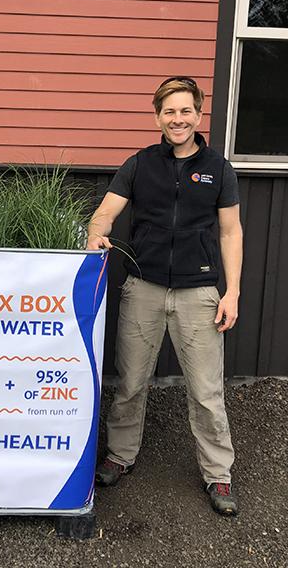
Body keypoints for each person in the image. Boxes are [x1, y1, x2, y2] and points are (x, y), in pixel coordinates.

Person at [86, 77, 242, 516]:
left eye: (186, 110)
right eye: (169, 111)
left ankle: (218, 475)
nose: (178, 119)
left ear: (198, 114)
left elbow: (231, 231)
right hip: (143, 288)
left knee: (207, 391)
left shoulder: (218, 168)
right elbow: (105, 214)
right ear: (158, 117)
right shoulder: (139, 165)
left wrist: (231, 292)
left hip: (199, 293)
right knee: (131, 383)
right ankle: (120, 455)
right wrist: (96, 235)